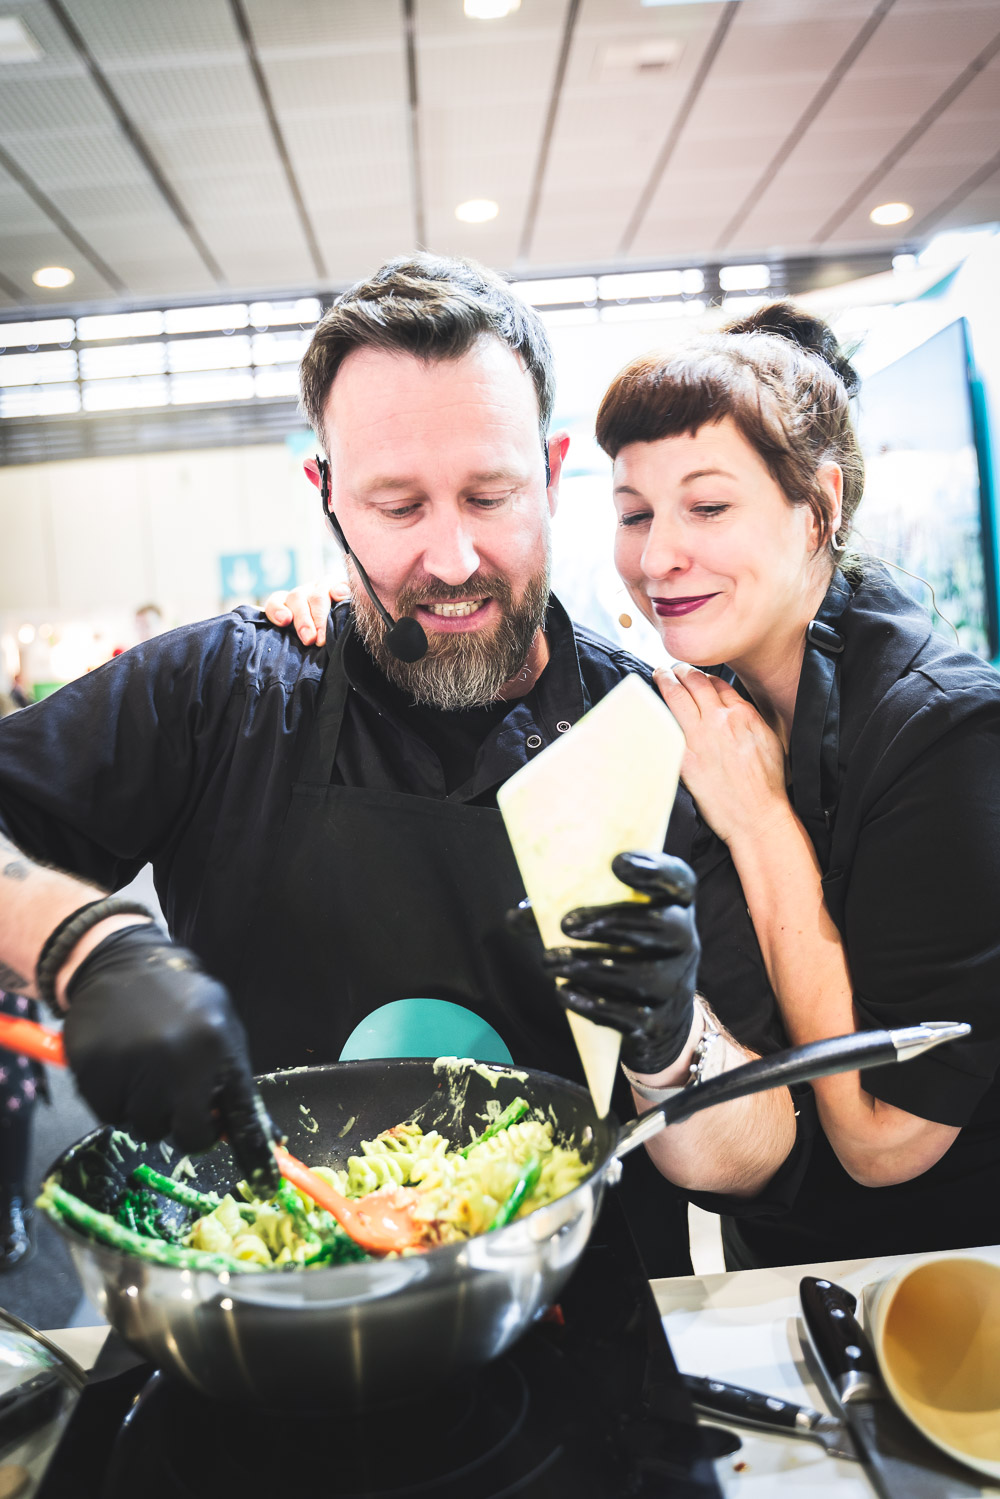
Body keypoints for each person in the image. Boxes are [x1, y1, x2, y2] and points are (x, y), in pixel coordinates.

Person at [0, 255, 807, 1277]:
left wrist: (671, 1037)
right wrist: (82, 943)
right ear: (326, 495)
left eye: (490, 492)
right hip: (260, 1327)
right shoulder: (217, 693)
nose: (456, 556)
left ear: (553, 475)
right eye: (397, 506)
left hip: (576, 1336)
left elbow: (756, 1156)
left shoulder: (656, 734)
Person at [595, 302, 1000, 1265]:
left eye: (708, 506)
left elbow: (882, 1139)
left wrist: (763, 823)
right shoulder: (713, 697)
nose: (657, 558)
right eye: (635, 515)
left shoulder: (946, 733)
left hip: (942, 1289)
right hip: (782, 1272)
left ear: (817, 505)